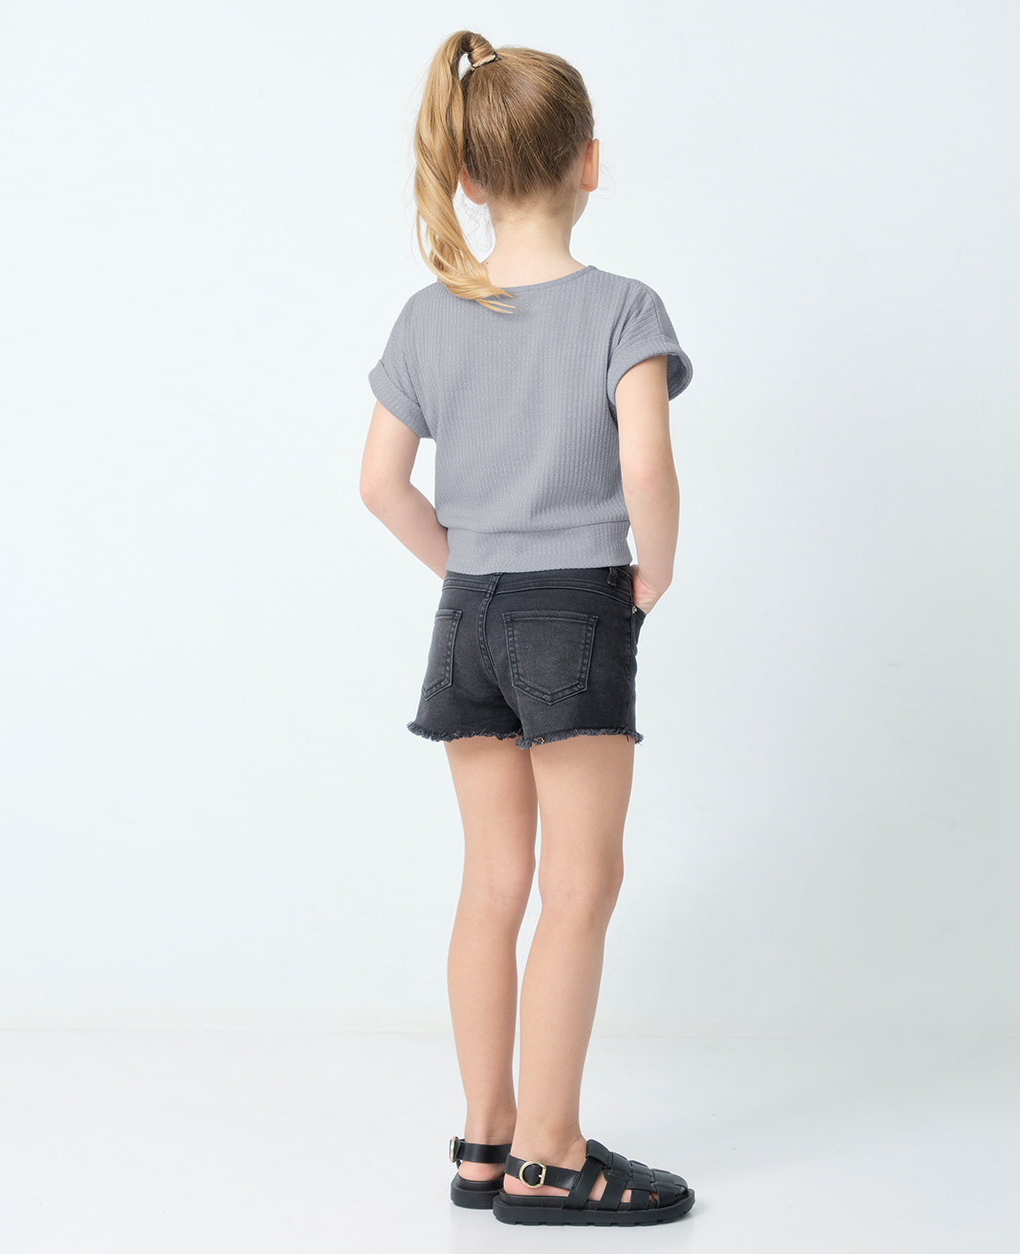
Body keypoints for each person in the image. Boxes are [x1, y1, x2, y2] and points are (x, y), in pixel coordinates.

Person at [360, 30, 696, 1228]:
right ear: (588, 162)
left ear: (468, 177)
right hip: (573, 610)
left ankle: (484, 1141)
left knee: (492, 883)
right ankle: (552, 1159)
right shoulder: (622, 309)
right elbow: (644, 470)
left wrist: (466, 568)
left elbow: (379, 484)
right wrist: (653, 571)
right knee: (580, 884)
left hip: (469, 617)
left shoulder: (427, 316)